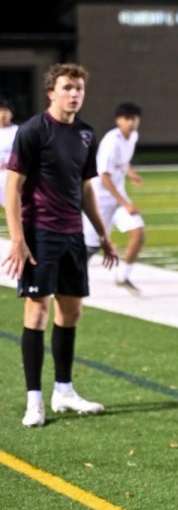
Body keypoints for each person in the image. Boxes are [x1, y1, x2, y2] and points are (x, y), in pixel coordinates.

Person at [1, 64, 118, 427]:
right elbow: (12, 188)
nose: (75, 94)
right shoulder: (34, 130)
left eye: (79, 88)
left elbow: (86, 189)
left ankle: (64, 391)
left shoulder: (85, 134)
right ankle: (34, 400)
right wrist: (18, 240)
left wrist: (102, 233)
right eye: (68, 87)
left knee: (71, 313)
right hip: (40, 234)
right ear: (51, 91)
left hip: (73, 235)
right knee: (37, 314)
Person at [83, 103, 145, 292]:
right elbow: (105, 177)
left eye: (134, 118)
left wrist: (130, 172)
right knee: (90, 248)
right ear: (118, 120)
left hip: (117, 198)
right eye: (127, 118)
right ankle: (69, 279)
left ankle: (123, 276)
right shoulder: (111, 141)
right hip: (99, 199)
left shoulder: (133, 136)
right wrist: (125, 204)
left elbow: (123, 161)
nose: (131, 122)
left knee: (138, 233)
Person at [0, 99, 19, 208]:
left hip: (11, 174)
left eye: (5, 111)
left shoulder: (18, 131)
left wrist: (9, 164)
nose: (2, 115)